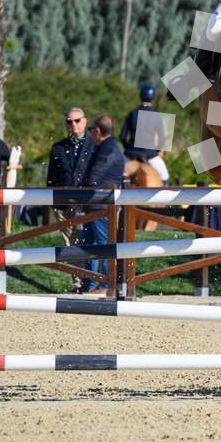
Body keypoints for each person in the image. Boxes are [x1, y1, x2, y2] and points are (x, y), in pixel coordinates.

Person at [80, 115, 125, 293]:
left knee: (103, 245)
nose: (90, 133)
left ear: (97, 131)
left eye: (91, 129)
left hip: (100, 204)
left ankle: (106, 285)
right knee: (92, 244)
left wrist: (81, 190)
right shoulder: (108, 146)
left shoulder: (107, 148)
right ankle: (90, 284)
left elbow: (94, 177)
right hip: (99, 203)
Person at [46, 107, 95, 248]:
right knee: (69, 243)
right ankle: (72, 263)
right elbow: (51, 176)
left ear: (84, 122)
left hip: (88, 202)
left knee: (86, 241)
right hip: (64, 203)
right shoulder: (58, 148)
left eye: (77, 120)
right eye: (69, 122)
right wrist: (54, 202)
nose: (73, 124)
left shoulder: (95, 145)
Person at [120, 84, 168, 179]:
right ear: (153, 98)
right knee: (165, 177)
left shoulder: (132, 113)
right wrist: (156, 152)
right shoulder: (156, 115)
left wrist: (128, 148)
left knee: (116, 176)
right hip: (149, 154)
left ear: (140, 96)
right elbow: (162, 139)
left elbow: (122, 137)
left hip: (131, 153)